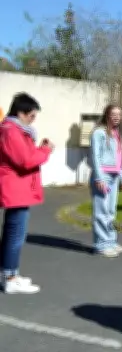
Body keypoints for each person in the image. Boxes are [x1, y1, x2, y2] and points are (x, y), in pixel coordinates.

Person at [0, 93, 53, 294]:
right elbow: (26, 160)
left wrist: (39, 149)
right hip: (15, 190)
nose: (33, 120)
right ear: (20, 113)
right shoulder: (11, 131)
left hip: (18, 189)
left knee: (12, 234)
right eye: (31, 115)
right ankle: (11, 278)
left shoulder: (14, 130)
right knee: (15, 236)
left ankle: (10, 273)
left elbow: (26, 156)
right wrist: (45, 150)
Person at [89, 104, 122, 258]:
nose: (117, 117)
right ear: (107, 115)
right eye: (113, 114)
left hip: (114, 176)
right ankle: (101, 245)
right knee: (101, 212)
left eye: (119, 114)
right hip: (103, 176)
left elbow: (120, 159)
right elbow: (96, 156)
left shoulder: (117, 134)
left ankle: (110, 241)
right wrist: (99, 177)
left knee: (111, 211)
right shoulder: (99, 133)